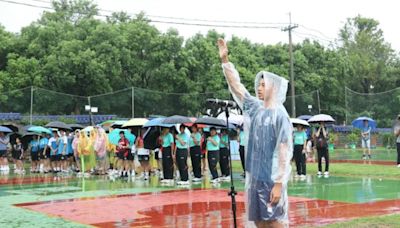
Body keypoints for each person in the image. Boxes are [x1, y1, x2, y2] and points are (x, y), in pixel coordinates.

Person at [218, 38, 292, 227]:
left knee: (274, 220)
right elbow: (237, 88)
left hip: (271, 176)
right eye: (258, 85)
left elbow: (284, 150)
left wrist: (278, 183)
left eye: (263, 85)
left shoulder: (280, 115)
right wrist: (225, 62)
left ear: (273, 88)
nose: (259, 88)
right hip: (255, 176)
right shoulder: (255, 108)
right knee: (258, 220)